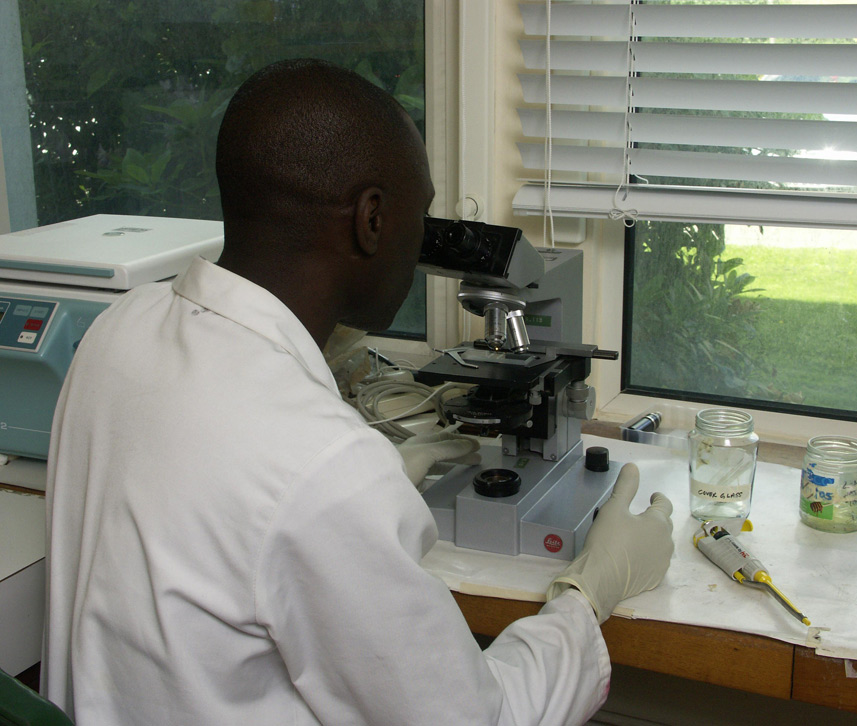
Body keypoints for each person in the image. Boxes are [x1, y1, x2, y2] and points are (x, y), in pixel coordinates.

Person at [42, 58, 674, 725]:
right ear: (371, 219)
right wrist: (586, 594)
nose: (422, 239)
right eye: (420, 212)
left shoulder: (120, 330)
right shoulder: (320, 465)